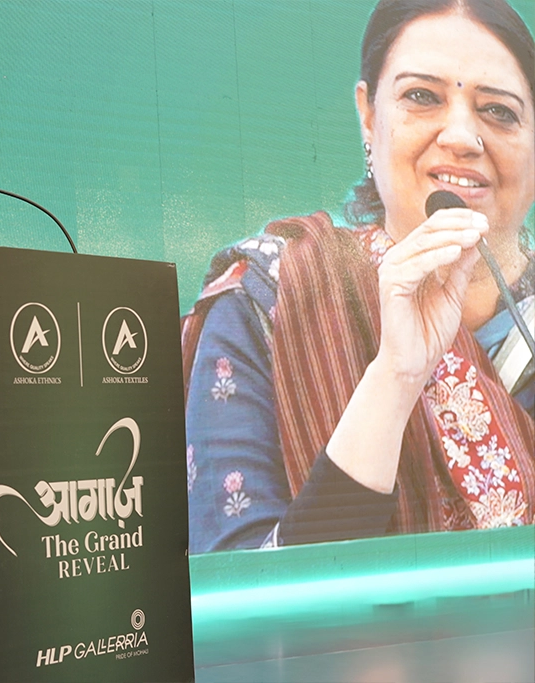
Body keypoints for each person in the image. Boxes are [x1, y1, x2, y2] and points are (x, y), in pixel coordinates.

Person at [183, 0, 534, 554]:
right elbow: (242, 590)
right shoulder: (274, 299)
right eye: (422, 97)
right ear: (369, 116)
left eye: (499, 110)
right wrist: (394, 378)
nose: (464, 137)